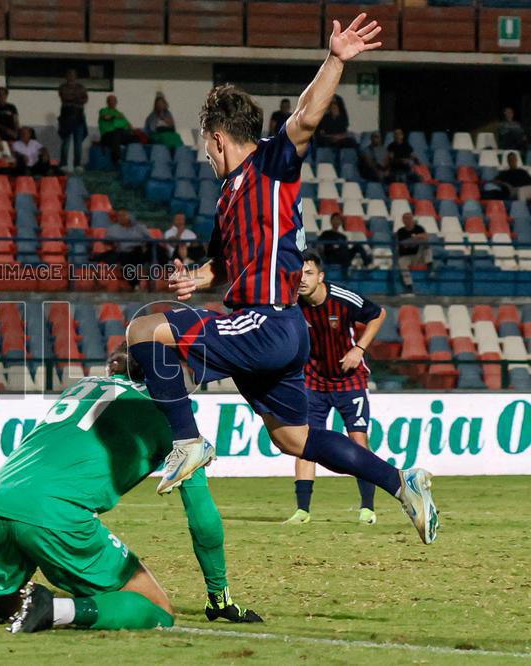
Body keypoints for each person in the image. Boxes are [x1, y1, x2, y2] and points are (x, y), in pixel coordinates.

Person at [124, 13, 438, 546]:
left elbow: (306, 116)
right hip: (279, 328)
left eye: (205, 143)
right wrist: (193, 280)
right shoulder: (227, 201)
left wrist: (336, 59)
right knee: (293, 439)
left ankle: (186, 441)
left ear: (218, 139)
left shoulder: (272, 163)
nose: (204, 155)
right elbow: (220, 266)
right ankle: (400, 482)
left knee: (142, 329)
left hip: (266, 323)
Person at [0, 345, 261, 632]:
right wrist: (218, 596)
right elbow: (203, 523)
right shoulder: (177, 424)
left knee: (4, 599)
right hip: (54, 514)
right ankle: (55, 609)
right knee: (156, 608)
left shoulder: (82, 387)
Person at [286, 252, 386, 526]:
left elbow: (378, 314)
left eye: (308, 273)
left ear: (321, 277)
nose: (302, 279)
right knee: (304, 444)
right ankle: (302, 511)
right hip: (313, 381)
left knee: (358, 442)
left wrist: (359, 348)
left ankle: (367, 509)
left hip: (349, 380)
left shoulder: (343, 299)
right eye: (299, 273)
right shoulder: (291, 303)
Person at [93, 210, 152, 289]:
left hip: (139, 251)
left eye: (124, 215)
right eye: (119, 216)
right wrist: (113, 244)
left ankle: (161, 278)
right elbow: (107, 241)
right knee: (124, 260)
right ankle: (135, 284)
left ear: (130, 216)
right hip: (123, 251)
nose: (121, 218)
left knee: (157, 251)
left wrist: (145, 246)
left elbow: (149, 239)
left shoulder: (140, 227)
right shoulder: (113, 229)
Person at [57, 69, 88, 173]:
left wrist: (74, 98)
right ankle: (64, 164)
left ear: (76, 76)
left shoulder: (81, 87)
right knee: (66, 142)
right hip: (66, 118)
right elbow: (65, 97)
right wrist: (77, 98)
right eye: (69, 75)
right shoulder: (62, 87)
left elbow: (85, 99)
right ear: (66, 76)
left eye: (73, 75)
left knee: (78, 143)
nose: (71, 77)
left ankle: (77, 165)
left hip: (79, 117)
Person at [396, 212, 431, 295]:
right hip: (406, 256)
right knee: (402, 263)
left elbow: (425, 237)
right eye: (405, 218)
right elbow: (403, 244)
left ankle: (430, 266)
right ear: (403, 220)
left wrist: (413, 239)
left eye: (409, 218)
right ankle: (409, 286)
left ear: (412, 219)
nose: (408, 220)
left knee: (426, 245)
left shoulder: (419, 228)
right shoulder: (401, 231)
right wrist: (416, 238)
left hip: (418, 255)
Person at [98, 95, 138, 166]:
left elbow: (129, 125)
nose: (112, 102)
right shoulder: (103, 110)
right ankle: (117, 160)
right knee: (116, 134)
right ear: (107, 102)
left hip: (120, 134)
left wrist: (133, 130)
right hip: (107, 136)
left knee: (134, 138)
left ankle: (133, 160)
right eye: (110, 100)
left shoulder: (120, 113)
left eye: (114, 101)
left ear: (116, 102)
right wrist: (115, 116)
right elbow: (106, 118)